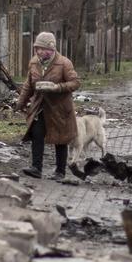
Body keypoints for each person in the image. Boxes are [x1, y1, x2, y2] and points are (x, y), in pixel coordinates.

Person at [16, 32, 80, 180]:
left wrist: (57, 87)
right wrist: (21, 102)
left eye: (42, 48)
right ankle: (36, 168)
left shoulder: (64, 63)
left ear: (51, 49)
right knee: (37, 134)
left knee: (60, 138)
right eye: (37, 48)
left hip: (59, 108)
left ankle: (60, 171)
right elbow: (28, 85)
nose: (39, 51)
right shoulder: (34, 63)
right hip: (40, 106)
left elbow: (75, 83)